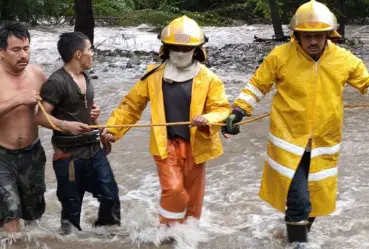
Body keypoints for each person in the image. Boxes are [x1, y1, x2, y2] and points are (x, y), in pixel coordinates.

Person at [222, 0, 369, 245]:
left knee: (315, 202)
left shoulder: (343, 59)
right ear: (296, 35)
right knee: (299, 199)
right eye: (307, 36)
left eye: (318, 36)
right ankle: (298, 243)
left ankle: (291, 234)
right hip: (288, 142)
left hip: (324, 143)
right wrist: (238, 110)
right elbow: (258, 86)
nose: (313, 42)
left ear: (329, 35)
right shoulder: (280, 56)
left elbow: (367, 82)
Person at [102, 16, 230, 226]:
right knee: (174, 190)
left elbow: (222, 109)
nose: (180, 52)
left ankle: (188, 237)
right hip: (166, 145)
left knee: (193, 198)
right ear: (166, 48)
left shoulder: (209, 78)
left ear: (197, 50)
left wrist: (207, 119)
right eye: (175, 47)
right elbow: (132, 105)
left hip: (196, 146)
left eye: (185, 48)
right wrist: (113, 129)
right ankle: (167, 231)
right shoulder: (153, 76)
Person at [35, 32, 120, 234]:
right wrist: (66, 125)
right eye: (91, 49)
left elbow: (87, 112)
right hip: (69, 156)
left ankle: (105, 237)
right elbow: (39, 116)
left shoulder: (85, 77)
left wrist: (100, 128)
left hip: (94, 149)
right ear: (78, 54)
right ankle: (69, 243)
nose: (93, 54)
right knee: (72, 210)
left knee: (110, 196)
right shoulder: (56, 82)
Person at [0, 22, 47, 233]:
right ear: (2, 51)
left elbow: (57, 109)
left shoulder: (38, 75)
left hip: (32, 152)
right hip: (2, 156)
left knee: (34, 215)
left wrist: (90, 112)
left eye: (26, 48)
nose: (23, 55)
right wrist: (18, 99)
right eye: (16, 50)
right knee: (10, 211)